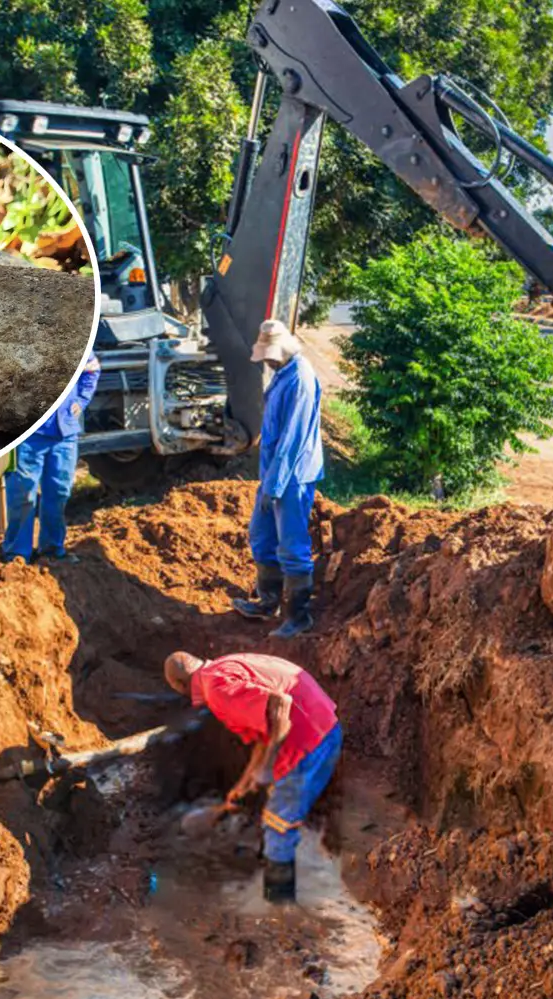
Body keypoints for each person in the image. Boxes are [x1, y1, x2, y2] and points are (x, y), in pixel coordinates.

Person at [163, 649, 342, 903]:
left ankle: (278, 907)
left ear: (180, 686)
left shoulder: (217, 688)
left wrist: (268, 767)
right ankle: (300, 867)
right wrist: (244, 783)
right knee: (277, 813)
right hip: (320, 726)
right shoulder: (223, 668)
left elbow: (281, 704)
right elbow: (264, 734)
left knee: (277, 825)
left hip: (311, 741)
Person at [232, 319, 323, 638]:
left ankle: (299, 616)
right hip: (274, 474)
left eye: (270, 354)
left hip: (293, 476)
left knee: (292, 545)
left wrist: (274, 486)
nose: (267, 360)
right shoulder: (283, 373)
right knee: (261, 534)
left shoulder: (300, 378)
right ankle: (268, 600)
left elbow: (293, 441)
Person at [1, 355, 101, 565]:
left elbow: (92, 369)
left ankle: (52, 549)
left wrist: (81, 399)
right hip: (28, 435)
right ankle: (17, 554)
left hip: (64, 434)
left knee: (58, 492)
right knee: (23, 494)